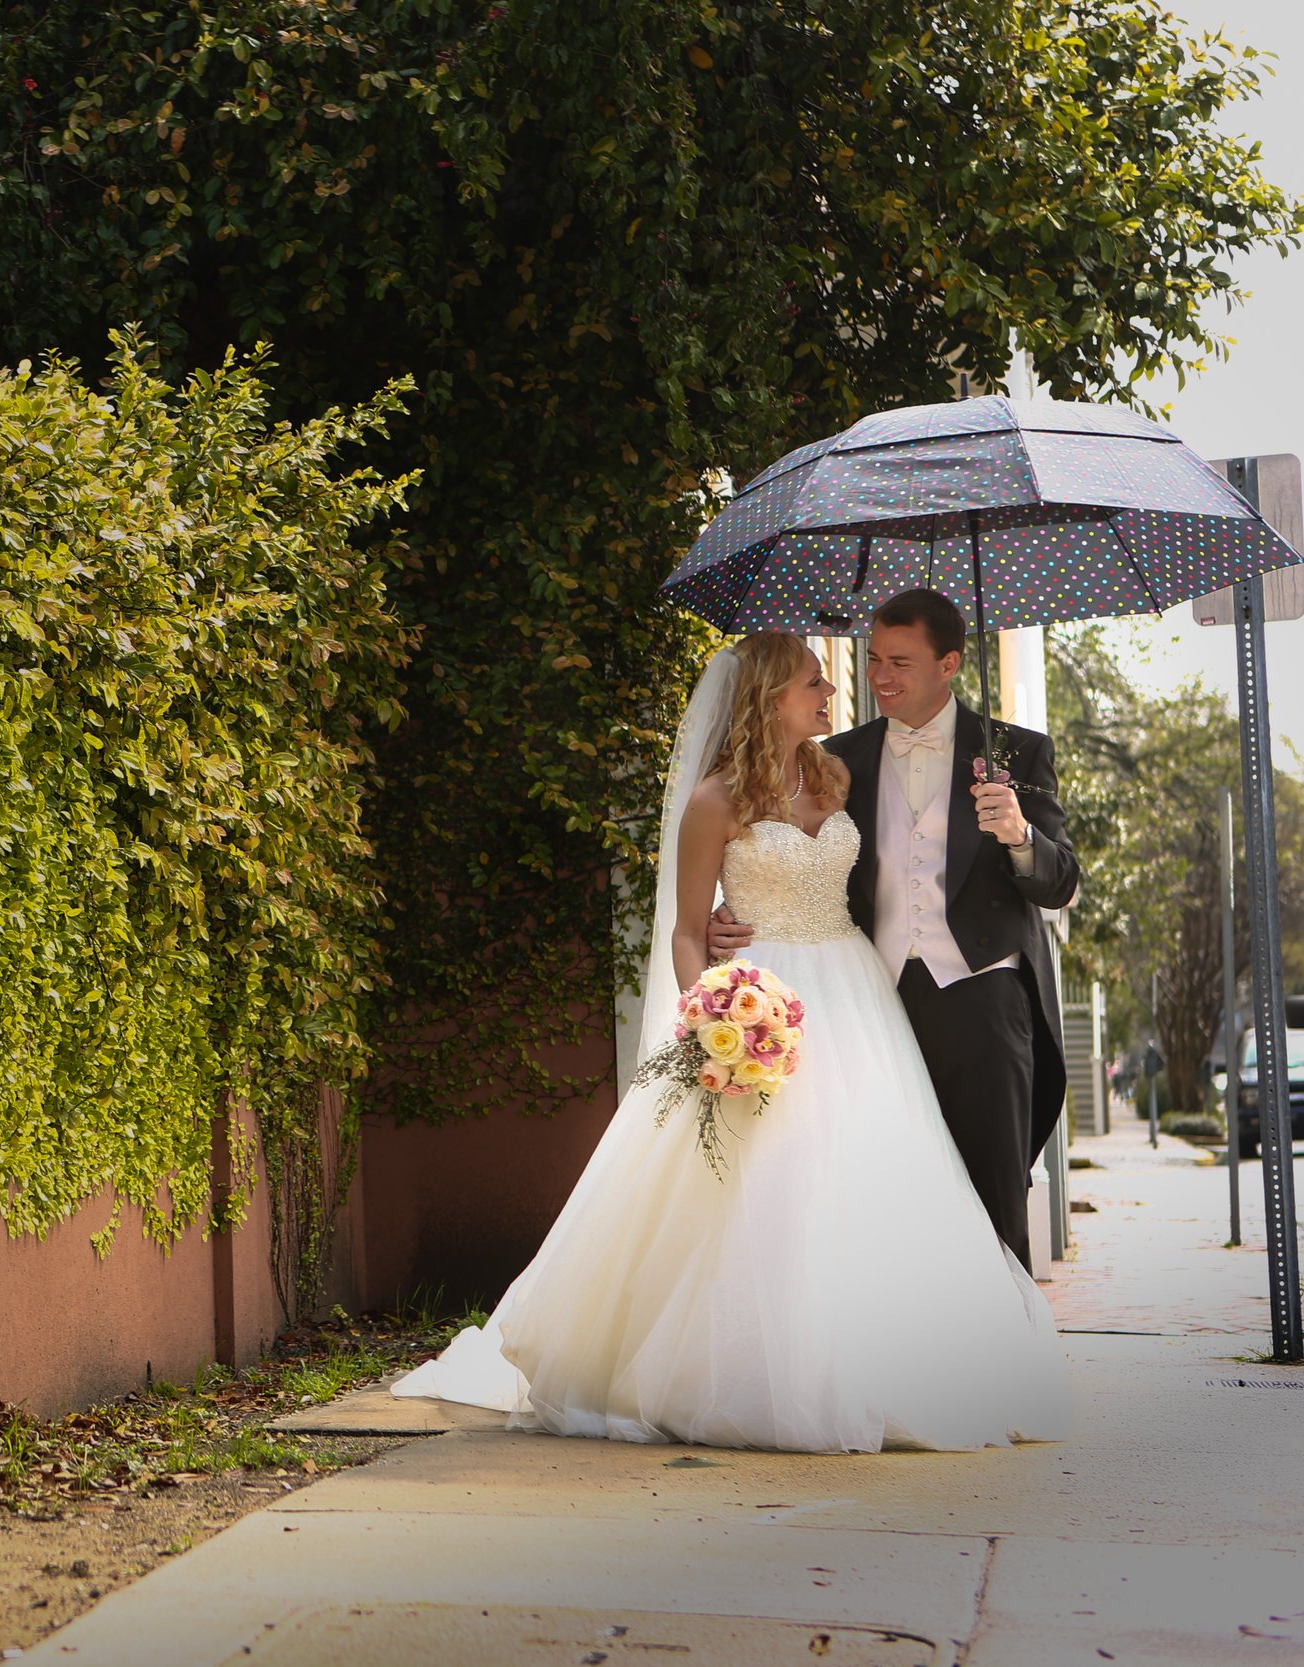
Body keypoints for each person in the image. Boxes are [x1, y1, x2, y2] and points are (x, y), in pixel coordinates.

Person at [391, 631, 1069, 1452]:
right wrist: (716, 1017)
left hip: (854, 994)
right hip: (759, 993)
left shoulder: (839, 776)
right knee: (762, 1186)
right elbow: (685, 931)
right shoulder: (715, 801)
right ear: (767, 698)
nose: (832, 692)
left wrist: (1009, 825)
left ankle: (884, 1358)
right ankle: (752, 1368)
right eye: (814, 682)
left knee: (865, 1174)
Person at [712, 588, 1078, 1266]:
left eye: (901, 662)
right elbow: (771, 839)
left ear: (950, 663)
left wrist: (1020, 834)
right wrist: (733, 911)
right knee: (881, 1193)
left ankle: (1002, 1354)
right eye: (874, 658)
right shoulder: (837, 756)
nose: (880, 676)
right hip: (866, 1006)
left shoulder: (1018, 753)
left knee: (994, 1196)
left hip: (982, 1000)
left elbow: (1060, 881)